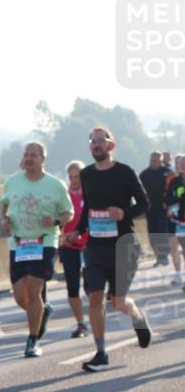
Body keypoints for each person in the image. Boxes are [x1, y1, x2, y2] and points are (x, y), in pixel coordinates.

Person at [67, 126, 152, 372]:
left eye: (101, 141)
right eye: (92, 141)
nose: (96, 145)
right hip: (95, 246)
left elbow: (144, 203)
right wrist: (78, 231)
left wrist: (124, 213)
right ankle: (101, 353)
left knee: (117, 302)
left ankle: (138, 319)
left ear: (111, 145)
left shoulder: (125, 172)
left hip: (123, 244)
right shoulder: (87, 175)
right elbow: (88, 209)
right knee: (94, 296)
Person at [0, 141, 73, 357]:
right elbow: (3, 204)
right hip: (18, 243)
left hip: (44, 241)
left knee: (33, 291)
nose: (29, 158)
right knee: (20, 298)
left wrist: (57, 220)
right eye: (26, 154)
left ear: (42, 159)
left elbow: (69, 213)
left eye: (33, 155)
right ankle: (43, 310)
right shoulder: (12, 182)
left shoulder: (55, 185)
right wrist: (4, 220)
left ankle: (32, 340)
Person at [59, 161, 90, 338]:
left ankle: (96, 315)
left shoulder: (92, 192)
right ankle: (81, 324)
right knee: (72, 287)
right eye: (70, 177)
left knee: (90, 286)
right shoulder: (64, 195)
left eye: (77, 177)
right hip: (69, 245)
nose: (73, 180)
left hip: (89, 245)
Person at [139, 151, 174, 268]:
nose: (152, 163)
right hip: (149, 208)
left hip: (164, 208)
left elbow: (174, 190)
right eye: (151, 161)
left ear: (160, 161)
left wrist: (168, 202)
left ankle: (164, 256)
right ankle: (158, 256)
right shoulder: (144, 174)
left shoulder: (167, 173)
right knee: (152, 232)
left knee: (161, 230)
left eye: (155, 161)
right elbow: (139, 192)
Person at [165, 154, 185, 293]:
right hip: (180, 222)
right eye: (180, 164)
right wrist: (174, 209)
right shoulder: (175, 181)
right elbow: (168, 200)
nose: (181, 166)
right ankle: (179, 274)